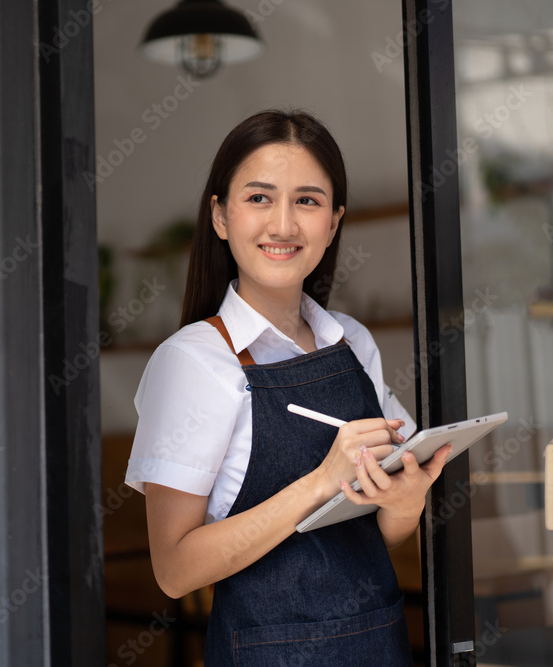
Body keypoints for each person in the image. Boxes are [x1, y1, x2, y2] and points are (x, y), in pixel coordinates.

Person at [125, 109, 451, 665]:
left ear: (333, 221)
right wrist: (322, 481)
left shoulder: (352, 342)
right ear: (221, 216)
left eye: (307, 200)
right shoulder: (192, 363)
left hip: (379, 642)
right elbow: (175, 571)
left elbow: (382, 534)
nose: (283, 225)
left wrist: (406, 499)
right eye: (258, 198)